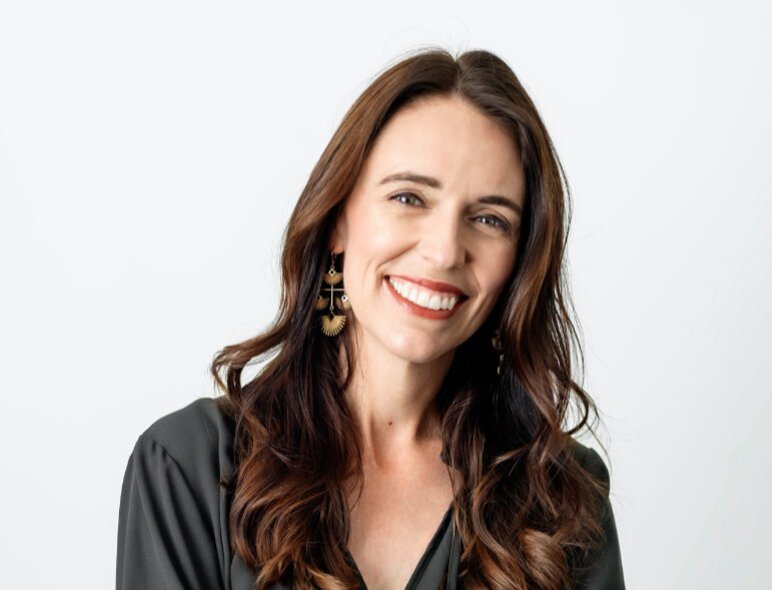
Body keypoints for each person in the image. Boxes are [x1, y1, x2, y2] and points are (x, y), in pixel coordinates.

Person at [116, 47, 626, 590]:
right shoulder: (188, 465)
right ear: (337, 220)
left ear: (519, 262)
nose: (445, 250)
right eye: (409, 197)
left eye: (488, 218)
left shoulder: (562, 497)